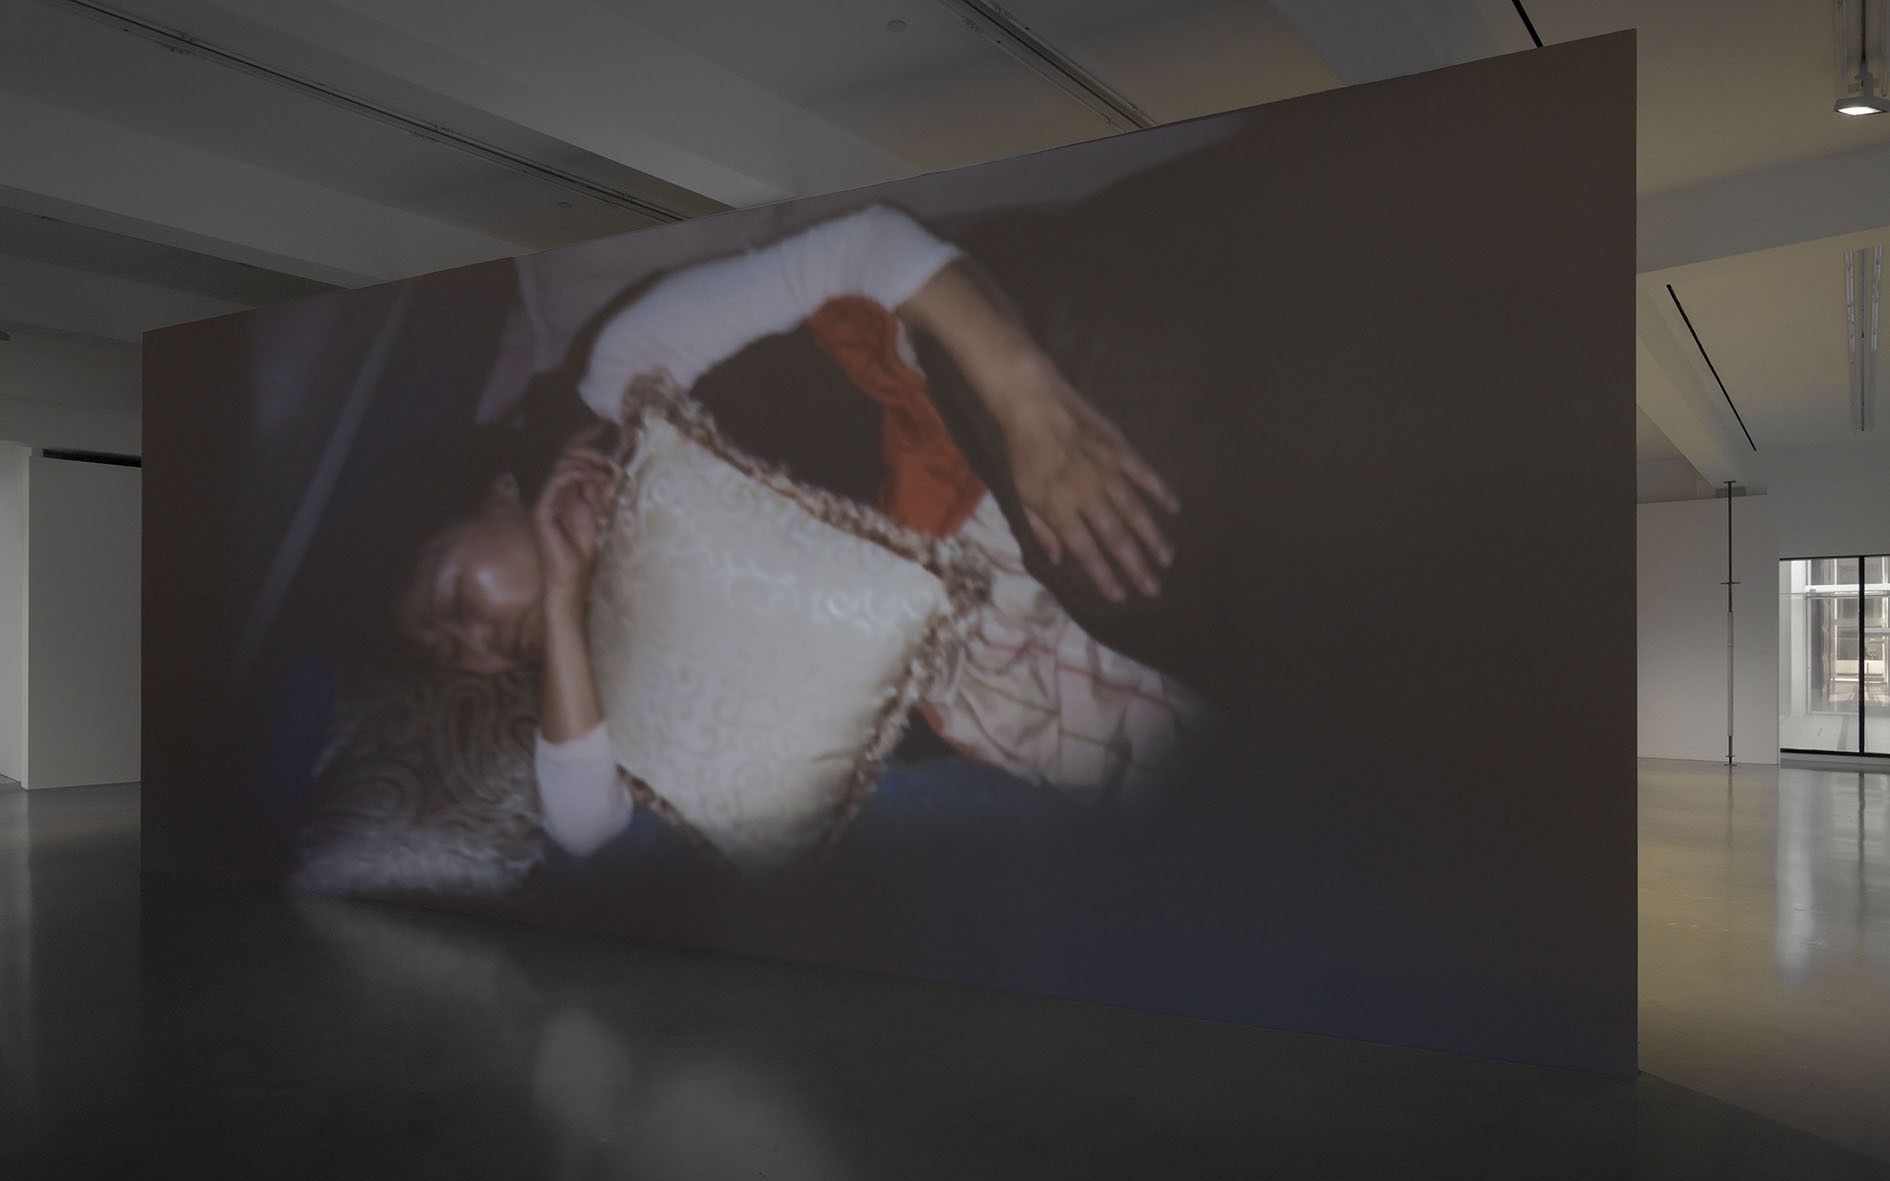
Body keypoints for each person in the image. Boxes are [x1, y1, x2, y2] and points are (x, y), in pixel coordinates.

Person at [325, 204, 1206, 861]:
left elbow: (862, 247)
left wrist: (1029, 404)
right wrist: (561, 600)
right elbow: (584, 827)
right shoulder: (603, 674)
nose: (474, 642)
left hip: (960, 435)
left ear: (489, 492)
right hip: (958, 647)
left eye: (452, 600)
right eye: (451, 652)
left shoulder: (617, 378)